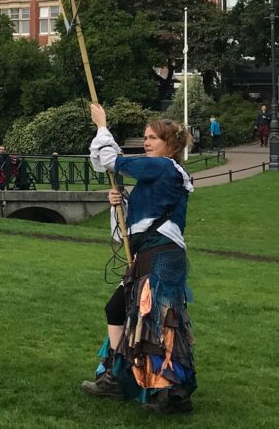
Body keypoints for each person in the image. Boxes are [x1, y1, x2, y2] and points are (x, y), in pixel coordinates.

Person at [82, 103, 196, 414]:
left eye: (152, 138)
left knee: (160, 321)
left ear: (169, 144)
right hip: (147, 252)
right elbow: (129, 229)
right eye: (144, 137)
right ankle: (115, 376)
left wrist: (102, 125)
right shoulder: (154, 174)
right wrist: (119, 203)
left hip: (163, 255)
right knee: (117, 308)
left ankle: (173, 393)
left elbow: (110, 160)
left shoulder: (164, 167)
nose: (146, 142)